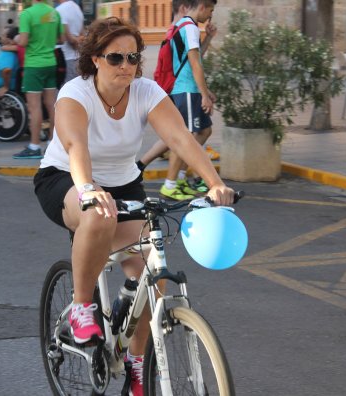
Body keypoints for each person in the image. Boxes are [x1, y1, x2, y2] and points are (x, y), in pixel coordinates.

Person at [32, 17, 235, 395]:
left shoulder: (145, 91)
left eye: (133, 58)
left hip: (124, 182)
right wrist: (89, 188)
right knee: (97, 216)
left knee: (151, 278)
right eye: (115, 58)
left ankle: (137, 368)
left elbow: (180, 138)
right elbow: (76, 147)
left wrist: (215, 183)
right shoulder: (75, 94)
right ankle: (81, 307)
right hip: (67, 178)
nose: (126, 66)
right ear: (95, 59)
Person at [137, 0, 219, 200]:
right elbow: (194, 64)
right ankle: (171, 184)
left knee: (205, 131)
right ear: (201, 6)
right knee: (184, 137)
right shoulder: (190, 27)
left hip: (184, 89)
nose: (209, 15)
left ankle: (180, 179)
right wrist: (204, 94)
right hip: (186, 90)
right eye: (210, 10)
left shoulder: (181, 26)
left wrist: (208, 37)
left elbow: (194, 58)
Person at [13, 0, 64, 159]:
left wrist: (16, 39)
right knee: (51, 105)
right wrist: (45, 40)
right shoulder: (54, 13)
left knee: (34, 107)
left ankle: (34, 146)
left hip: (34, 65)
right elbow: (61, 39)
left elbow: (23, 41)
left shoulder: (27, 14)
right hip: (51, 62)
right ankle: (52, 143)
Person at [56, 0, 84, 84]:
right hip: (77, 56)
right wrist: (78, 41)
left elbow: (67, 37)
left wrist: (73, 41)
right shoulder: (77, 8)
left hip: (64, 57)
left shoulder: (60, 10)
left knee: (65, 88)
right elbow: (82, 34)